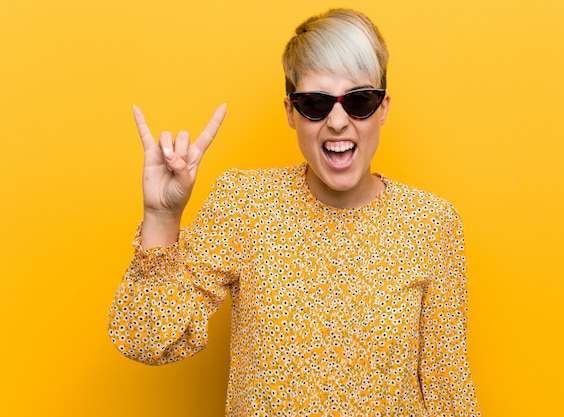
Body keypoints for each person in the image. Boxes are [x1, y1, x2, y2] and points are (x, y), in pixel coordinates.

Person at [108, 8, 481, 416]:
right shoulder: (245, 204)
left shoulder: (432, 224)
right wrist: (161, 218)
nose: (338, 122)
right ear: (291, 112)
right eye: (316, 104)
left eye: (359, 101)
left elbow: (450, 392)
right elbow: (146, 339)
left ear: (383, 108)